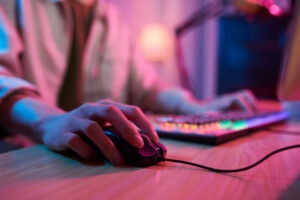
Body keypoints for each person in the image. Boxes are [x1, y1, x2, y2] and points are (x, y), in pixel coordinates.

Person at [0, 0, 257, 165]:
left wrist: (198, 107)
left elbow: (148, 87)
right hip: (24, 159)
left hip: (90, 166)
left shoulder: (112, 19)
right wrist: (48, 121)